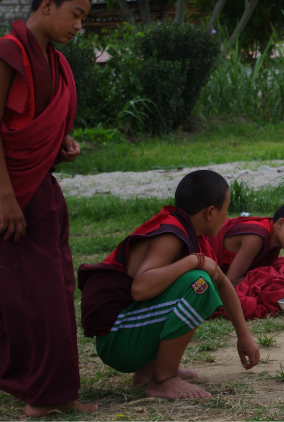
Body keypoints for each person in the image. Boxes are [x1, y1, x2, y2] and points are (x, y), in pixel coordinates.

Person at [78, 171, 261, 400]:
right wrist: (192, 261)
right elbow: (140, 288)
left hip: (125, 333)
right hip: (117, 340)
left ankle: (147, 371)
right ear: (211, 212)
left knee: (202, 278)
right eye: (227, 208)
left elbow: (222, 283)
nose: (227, 215)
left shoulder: (191, 234)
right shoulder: (172, 234)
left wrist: (243, 335)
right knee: (199, 285)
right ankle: (163, 379)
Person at [0, 0, 94, 417]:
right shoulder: (8, 53)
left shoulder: (54, 61)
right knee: (34, 295)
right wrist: (5, 198)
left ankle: (55, 390)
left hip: (42, 192)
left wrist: (62, 144)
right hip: (14, 197)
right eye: (75, 15)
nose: (79, 26)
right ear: (46, 6)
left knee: (55, 289)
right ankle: (44, 397)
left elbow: (33, 125)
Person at [207, 201, 284, 319]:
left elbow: (259, 269)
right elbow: (232, 279)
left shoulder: (274, 241)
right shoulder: (256, 238)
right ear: (280, 224)